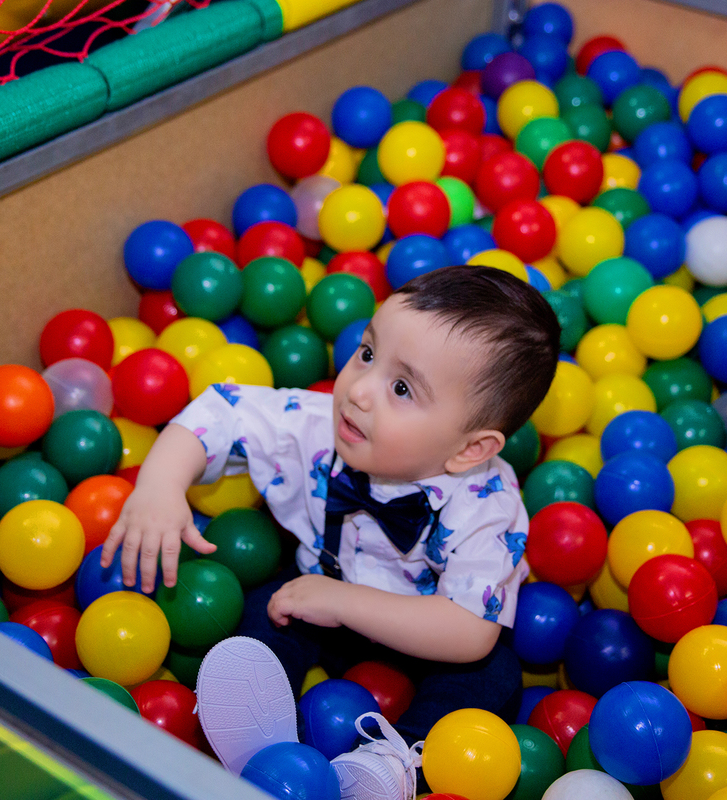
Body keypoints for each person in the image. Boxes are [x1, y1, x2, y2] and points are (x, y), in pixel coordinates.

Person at [101, 265, 561, 800]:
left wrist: (343, 600)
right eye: (367, 353)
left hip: (424, 631)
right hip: (312, 603)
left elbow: (468, 629)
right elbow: (221, 410)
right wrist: (159, 486)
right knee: (260, 615)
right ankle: (264, 748)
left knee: (491, 679)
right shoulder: (316, 424)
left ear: (469, 450)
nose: (360, 391)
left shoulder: (488, 502)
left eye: (402, 388)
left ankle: (394, 765)